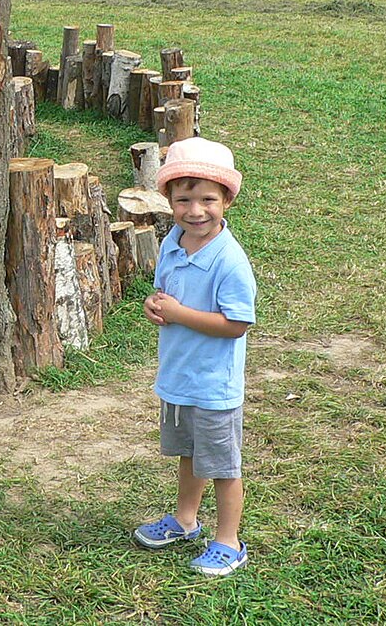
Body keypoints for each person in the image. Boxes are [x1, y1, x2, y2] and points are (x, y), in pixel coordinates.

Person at [132, 137, 257, 577]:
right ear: (168, 200)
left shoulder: (230, 261)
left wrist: (179, 314)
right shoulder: (174, 242)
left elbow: (237, 324)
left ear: (227, 201)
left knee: (222, 466)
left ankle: (228, 541)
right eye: (183, 200)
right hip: (180, 377)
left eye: (208, 199)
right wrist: (155, 304)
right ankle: (186, 520)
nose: (195, 211)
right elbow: (165, 293)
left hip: (213, 386)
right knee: (190, 453)